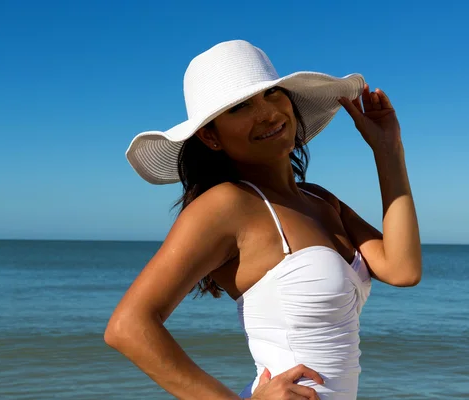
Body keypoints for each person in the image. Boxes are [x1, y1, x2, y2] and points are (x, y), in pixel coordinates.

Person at [105, 40, 422, 400]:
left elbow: (403, 268)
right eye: (240, 107)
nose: (267, 113)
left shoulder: (319, 199)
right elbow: (127, 326)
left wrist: (388, 149)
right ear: (211, 136)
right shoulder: (227, 206)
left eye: (272, 94)